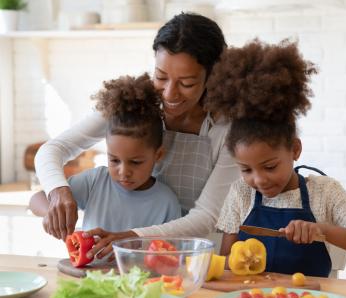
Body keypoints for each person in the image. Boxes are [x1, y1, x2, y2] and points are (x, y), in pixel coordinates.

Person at [34, 13, 241, 256]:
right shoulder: (133, 106)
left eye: (186, 83)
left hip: (193, 257)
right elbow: (53, 149)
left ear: (212, 77)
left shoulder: (228, 129)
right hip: (128, 256)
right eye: (161, 77)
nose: (169, 93)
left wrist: (132, 238)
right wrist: (58, 191)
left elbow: (207, 216)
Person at [204, 40, 346, 277]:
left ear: (294, 149)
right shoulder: (240, 193)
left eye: (269, 166)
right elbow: (226, 264)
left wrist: (320, 230)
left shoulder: (325, 192)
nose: (259, 180)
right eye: (246, 170)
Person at [30, 74, 181, 233]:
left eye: (135, 162)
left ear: (157, 155)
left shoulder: (167, 203)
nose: (124, 172)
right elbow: (36, 199)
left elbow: (171, 251)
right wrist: (51, 212)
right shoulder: (95, 182)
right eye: (114, 160)